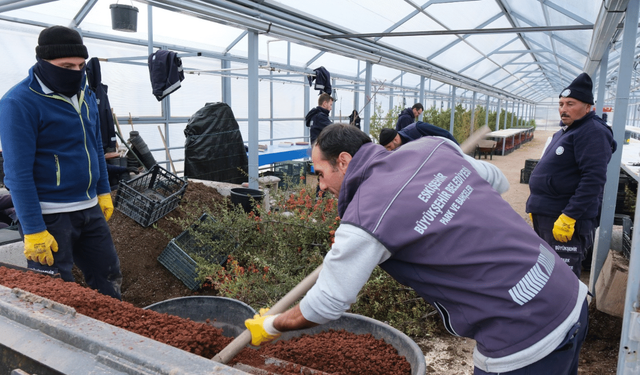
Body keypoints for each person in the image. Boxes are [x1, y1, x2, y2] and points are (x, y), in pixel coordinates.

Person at [245, 123, 589, 375]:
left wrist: (272, 325)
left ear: (345, 161)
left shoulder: (365, 218)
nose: (320, 185)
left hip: (523, 337)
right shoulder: (432, 148)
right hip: (567, 294)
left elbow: (325, 305)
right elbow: (497, 181)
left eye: (320, 173)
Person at [0, 26, 122, 299]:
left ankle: (113, 335)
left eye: (80, 65)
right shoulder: (18, 102)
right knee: (56, 295)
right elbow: (17, 174)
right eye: (66, 65)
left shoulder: (86, 94)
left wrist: (103, 191)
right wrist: (33, 229)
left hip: (90, 210)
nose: (75, 72)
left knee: (108, 276)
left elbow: (95, 147)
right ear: (43, 62)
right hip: (50, 216)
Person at [526, 72, 616, 279]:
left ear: (588, 107)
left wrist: (569, 216)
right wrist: (537, 203)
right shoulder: (566, 132)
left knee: (561, 278)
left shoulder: (592, 131)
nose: (563, 109)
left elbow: (593, 179)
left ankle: (571, 312)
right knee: (545, 274)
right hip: (548, 215)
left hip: (565, 219)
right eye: (561, 104)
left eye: (570, 103)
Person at [379, 121, 458, 151]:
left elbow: (445, 134)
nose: (389, 150)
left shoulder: (417, 128)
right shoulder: (397, 150)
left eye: (389, 146)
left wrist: (460, 150)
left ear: (395, 140)